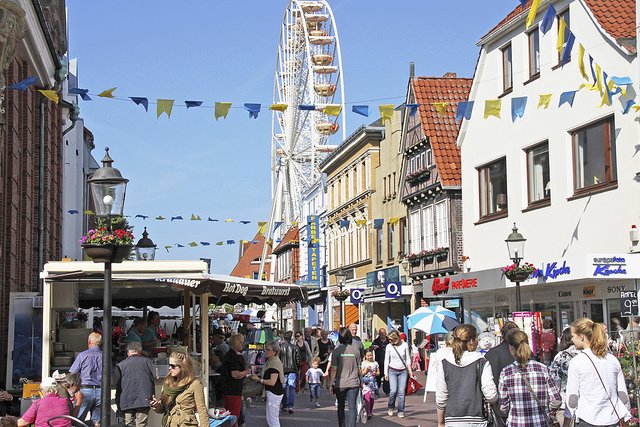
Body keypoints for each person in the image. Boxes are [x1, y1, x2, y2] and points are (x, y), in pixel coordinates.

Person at [565, 317, 631, 426]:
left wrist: (567, 421)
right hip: (612, 418)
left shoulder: (577, 362)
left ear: (581, 337)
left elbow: (572, 398)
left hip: (587, 419)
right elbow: (623, 395)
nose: (571, 339)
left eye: (573, 336)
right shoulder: (612, 360)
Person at [436, 324, 498, 426]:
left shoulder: (445, 363)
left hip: (452, 419)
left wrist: (440, 422)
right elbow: (490, 394)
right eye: (477, 338)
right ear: (472, 341)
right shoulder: (482, 362)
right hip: (476, 419)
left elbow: (441, 397)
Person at [498, 330, 562, 426]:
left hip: (516, 423)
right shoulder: (543, 369)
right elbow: (557, 399)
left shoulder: (506, 372)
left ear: (511, 348)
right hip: (540, 422)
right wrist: (550, 410)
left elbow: (503, 406)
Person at [149, 350, 208, 427]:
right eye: (169, 365)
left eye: (173, 366)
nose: (170, 368)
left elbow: (202, 410)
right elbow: (163, 409)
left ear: (183, 366)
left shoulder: (195, 384)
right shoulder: (168, 382)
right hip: (170, 423)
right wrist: (156, 405)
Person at [485, 321, 520, 426]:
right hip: (523, 402)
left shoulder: (491, 353)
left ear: (502, 334)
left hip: (499, 404)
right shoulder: (526, 352)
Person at [114, 341, 155, 427]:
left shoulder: (121, 365)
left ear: (128, 352)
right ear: (140, 351)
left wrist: (118, 401)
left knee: (128, 424)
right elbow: (153, 377)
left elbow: (115, 382)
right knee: (141, 424)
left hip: (126, 400)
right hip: (144, 399)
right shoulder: (148, 362)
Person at [328, 327, 361, 427]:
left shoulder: (336, 351)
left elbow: (334, 369)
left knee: (341, 407)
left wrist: (330, 384)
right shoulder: (356, 351)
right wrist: (362, 381)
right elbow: (359, 368)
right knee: (352, 408)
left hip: (340, 384)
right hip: (354, 383)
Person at [68, 331, 102, 427]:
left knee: (77, 421)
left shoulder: (82, 355)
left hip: (85, 390)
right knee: (96, 423)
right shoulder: (105, 356)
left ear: (89, 342)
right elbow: (110, 374)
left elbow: (73, 374)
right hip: (100, 391)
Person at [549, 327, 579, 427]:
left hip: (565, 405)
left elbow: (554, 381)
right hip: (585, 406)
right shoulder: (586, 354)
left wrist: (553, 405)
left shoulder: (561, 356)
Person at [249, 341, 283, 427]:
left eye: (268, 350)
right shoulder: (270, 361)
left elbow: (272, 382)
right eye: (265, 350)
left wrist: (259, 379)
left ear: (275, 351)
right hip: (272, 392)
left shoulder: (274, 363)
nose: (266, 352)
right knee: (270, 419)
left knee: (273, 419)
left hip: (274, 393)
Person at [220, 334, 250, 426]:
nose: (242, 344)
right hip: (233, 390)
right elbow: (235, 374)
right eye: (241, 342)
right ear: (236, 343)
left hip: (230, 390)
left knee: (233, 416)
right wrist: (247, 371)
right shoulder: (233, 357)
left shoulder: (230, 355)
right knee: (233, 417)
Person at [384, 330, 412, 419]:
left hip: (403, 371)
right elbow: (386, 360)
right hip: (392, 370)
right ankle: (391, 407)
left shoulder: (405, 345)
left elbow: (407, 358)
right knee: (393, 391)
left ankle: (401, 410)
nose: (390, 341)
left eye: (391, 339)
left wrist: (410, 371)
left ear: (396, 339)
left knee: (401, 392)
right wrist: (385, 372)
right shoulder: (389, 346)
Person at [279, 331, 298, 414]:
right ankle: (291, 406)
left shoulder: (280, 347)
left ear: (284, 337)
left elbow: (278, 359)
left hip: (283, 369)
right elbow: (298, 359)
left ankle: (285, 405)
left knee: (283, 387)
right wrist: (298, 368)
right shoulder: (295, 347)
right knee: (292, 387)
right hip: (292, 369)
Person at [361, 349, 380, 419]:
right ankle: (368, 412)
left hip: (373, 382)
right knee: (367, 397)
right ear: (365, 356)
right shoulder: (363, 363)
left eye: (371, 355)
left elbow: (378, 373)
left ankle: (370, 411)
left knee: (372, 399)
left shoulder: (375, 363)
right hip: (366, 382)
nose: (370, 357)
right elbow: (361, 374)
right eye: (368, 356)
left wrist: (375, 373)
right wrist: (366, 370)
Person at [371, 328, 389, 394]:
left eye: (383, 333)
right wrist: (372, 347)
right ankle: (377, 390)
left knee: (387, 376)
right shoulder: (376, 341)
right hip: (379, 361)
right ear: (379, 333)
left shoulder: (389, 341)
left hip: (388, 362)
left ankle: (387, 391)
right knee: (378, 377)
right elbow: (371, 348)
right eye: (381, 333)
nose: (382, 334)